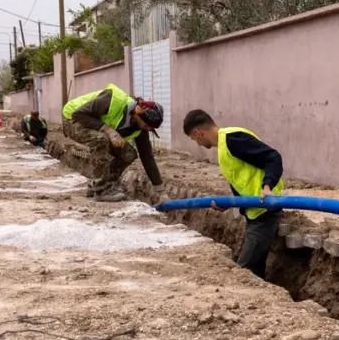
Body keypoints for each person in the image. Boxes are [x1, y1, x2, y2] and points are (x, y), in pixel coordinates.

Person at [182, 109, 283, 279]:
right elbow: (244, 183)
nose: (197, 143)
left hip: (265, 211)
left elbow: (272, 157)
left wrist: (268, 186)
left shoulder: (232, 140)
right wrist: (229, 203)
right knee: (255, 270)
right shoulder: (224, 146)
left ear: (198, 133)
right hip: (254, 212)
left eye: (194, 139)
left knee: (243, 273)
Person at [62, 83, 168, 203]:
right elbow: (78, 114)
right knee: (101, 139)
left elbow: (147, 158)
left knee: (128, 154)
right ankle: (101, 190)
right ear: (138, 113)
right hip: (73, 119)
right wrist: (108, 130)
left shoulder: (140, 129)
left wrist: (161, 192)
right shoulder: (112, 100)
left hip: (95, 128)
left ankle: (101, 186)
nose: (148, 129)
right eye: (147, 125)